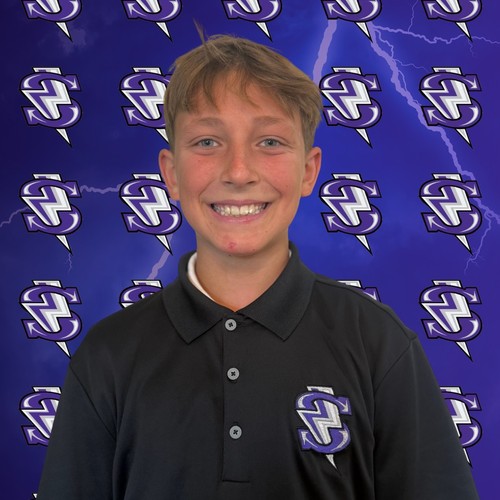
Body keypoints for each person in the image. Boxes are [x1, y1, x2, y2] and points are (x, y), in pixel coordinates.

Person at [37, 35, 479, 499]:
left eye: (269, 141)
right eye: (208, 141)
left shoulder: (377, 345)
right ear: (171, 173)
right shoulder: (108, 357)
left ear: (308, 171)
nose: (239, 171)